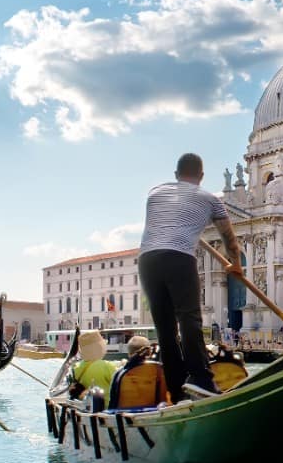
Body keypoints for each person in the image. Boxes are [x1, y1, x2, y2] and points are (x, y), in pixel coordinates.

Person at [139, 153, 242, 401]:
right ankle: (200, 379)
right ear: (202, 176)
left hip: (147, 260)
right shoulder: (210, 199)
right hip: (179, 257)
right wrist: (236, 265)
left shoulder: (155, 192)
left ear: (176, 175)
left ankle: (176, 389)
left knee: (165, 328)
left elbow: (167, 221)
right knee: (189, 320)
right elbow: (228, 238)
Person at [70, 331, 116, 398]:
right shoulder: (107, 366)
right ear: (99, 348)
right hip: (105, 406)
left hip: (86, 406)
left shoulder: (76, 367)